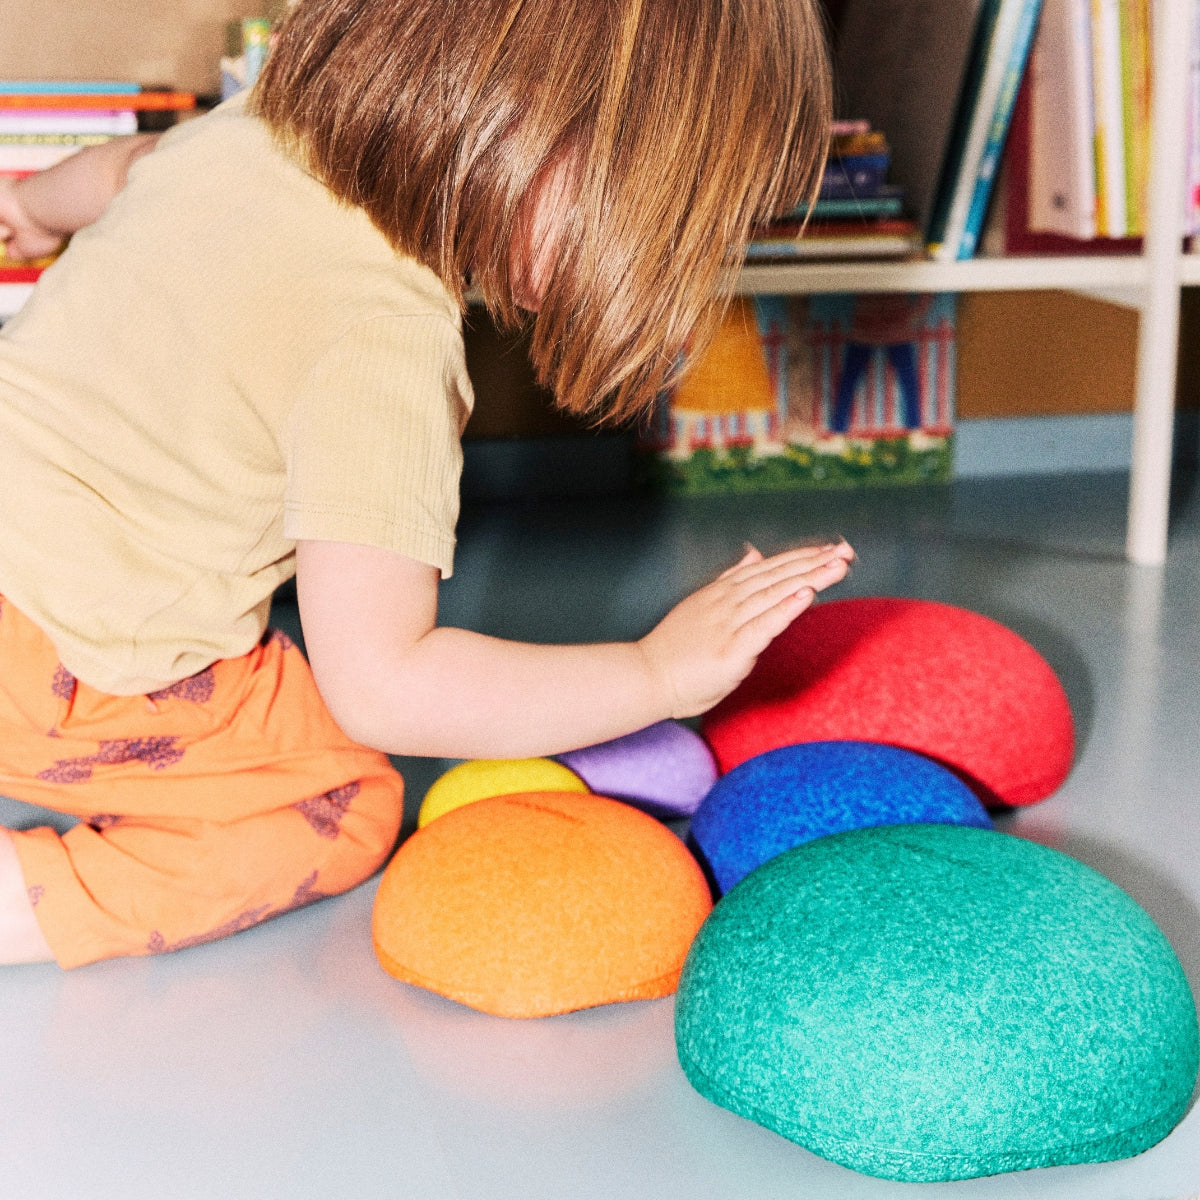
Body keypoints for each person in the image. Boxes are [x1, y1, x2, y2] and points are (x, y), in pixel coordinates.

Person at [0, 0, 850, 969]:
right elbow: (385, 684)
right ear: (538, 129)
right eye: (662, 219)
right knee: (343, 802)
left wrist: (27, 210)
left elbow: (116, 172)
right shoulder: (385, 345)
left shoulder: (254, 127)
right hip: (59, 653)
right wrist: (655, 672)